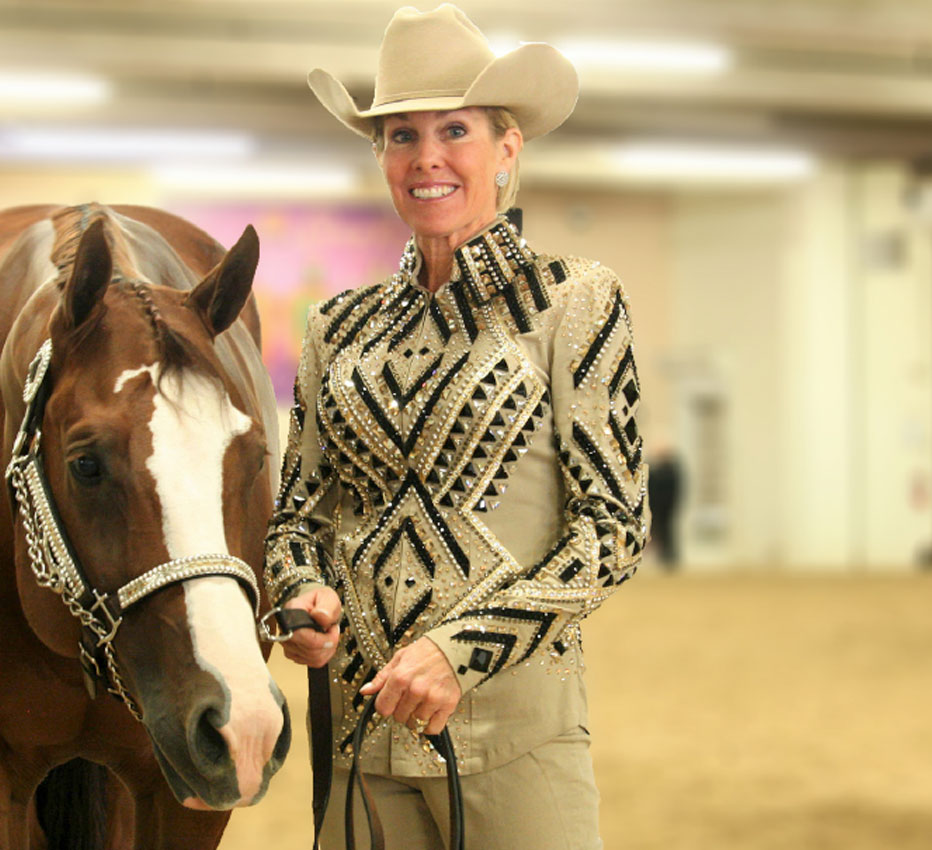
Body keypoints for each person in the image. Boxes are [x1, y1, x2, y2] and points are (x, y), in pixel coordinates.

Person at [263, 6, 650, 849]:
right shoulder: (337, 326)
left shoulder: (575, 302)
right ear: (380, 156)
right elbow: (297, 517)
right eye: (401, 135)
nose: (426, 157)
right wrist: (299, 596)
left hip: (517, 745)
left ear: (508, 149)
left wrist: (460, 650)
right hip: (362, 749)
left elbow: (614, 531)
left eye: (455, 131)